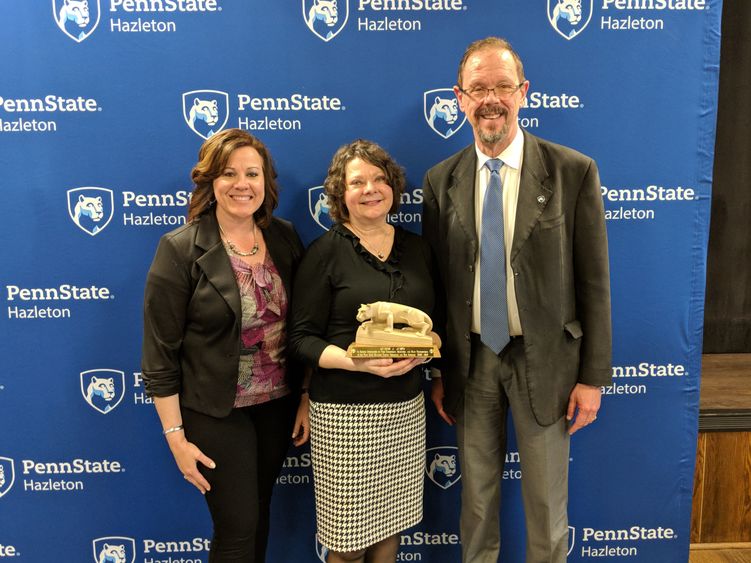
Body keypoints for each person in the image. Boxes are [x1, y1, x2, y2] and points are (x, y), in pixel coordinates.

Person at [422, 37, 612, 562]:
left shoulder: (572, 171)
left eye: (502, 86)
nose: (491, 98)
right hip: (472, 359)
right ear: (459, 98)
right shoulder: (441, 181)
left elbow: (595, 283)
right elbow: (439, 285)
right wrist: (439, 371)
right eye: (478, 88)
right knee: (477, 502)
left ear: (523, 92)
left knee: (547, 503)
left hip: (547, 360)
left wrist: (593, 377)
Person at [141, 128, 309, 562]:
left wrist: (306, 395)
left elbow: (304, 327)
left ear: (266, 183)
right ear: (210, 181)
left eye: (252, 173)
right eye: (229, 173)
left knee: (258, 518)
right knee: (236, 530)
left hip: (277, 407)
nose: (242, 184)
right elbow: (160, 354)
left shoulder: (285, 238)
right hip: (216, 411)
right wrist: (176, 437)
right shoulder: (180, 249)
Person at [289, 140, 437, 563]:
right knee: (349, 546)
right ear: (340, 194)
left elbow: (434, 323)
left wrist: (427, 355)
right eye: (358, 182)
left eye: (379, 179)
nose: (370, 188)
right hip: (345, 415)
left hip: (405, 408)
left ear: (392, 187)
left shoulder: (419, 249)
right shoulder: (324, 254)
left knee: (390, 529)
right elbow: (301, 339)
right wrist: (357, 361)